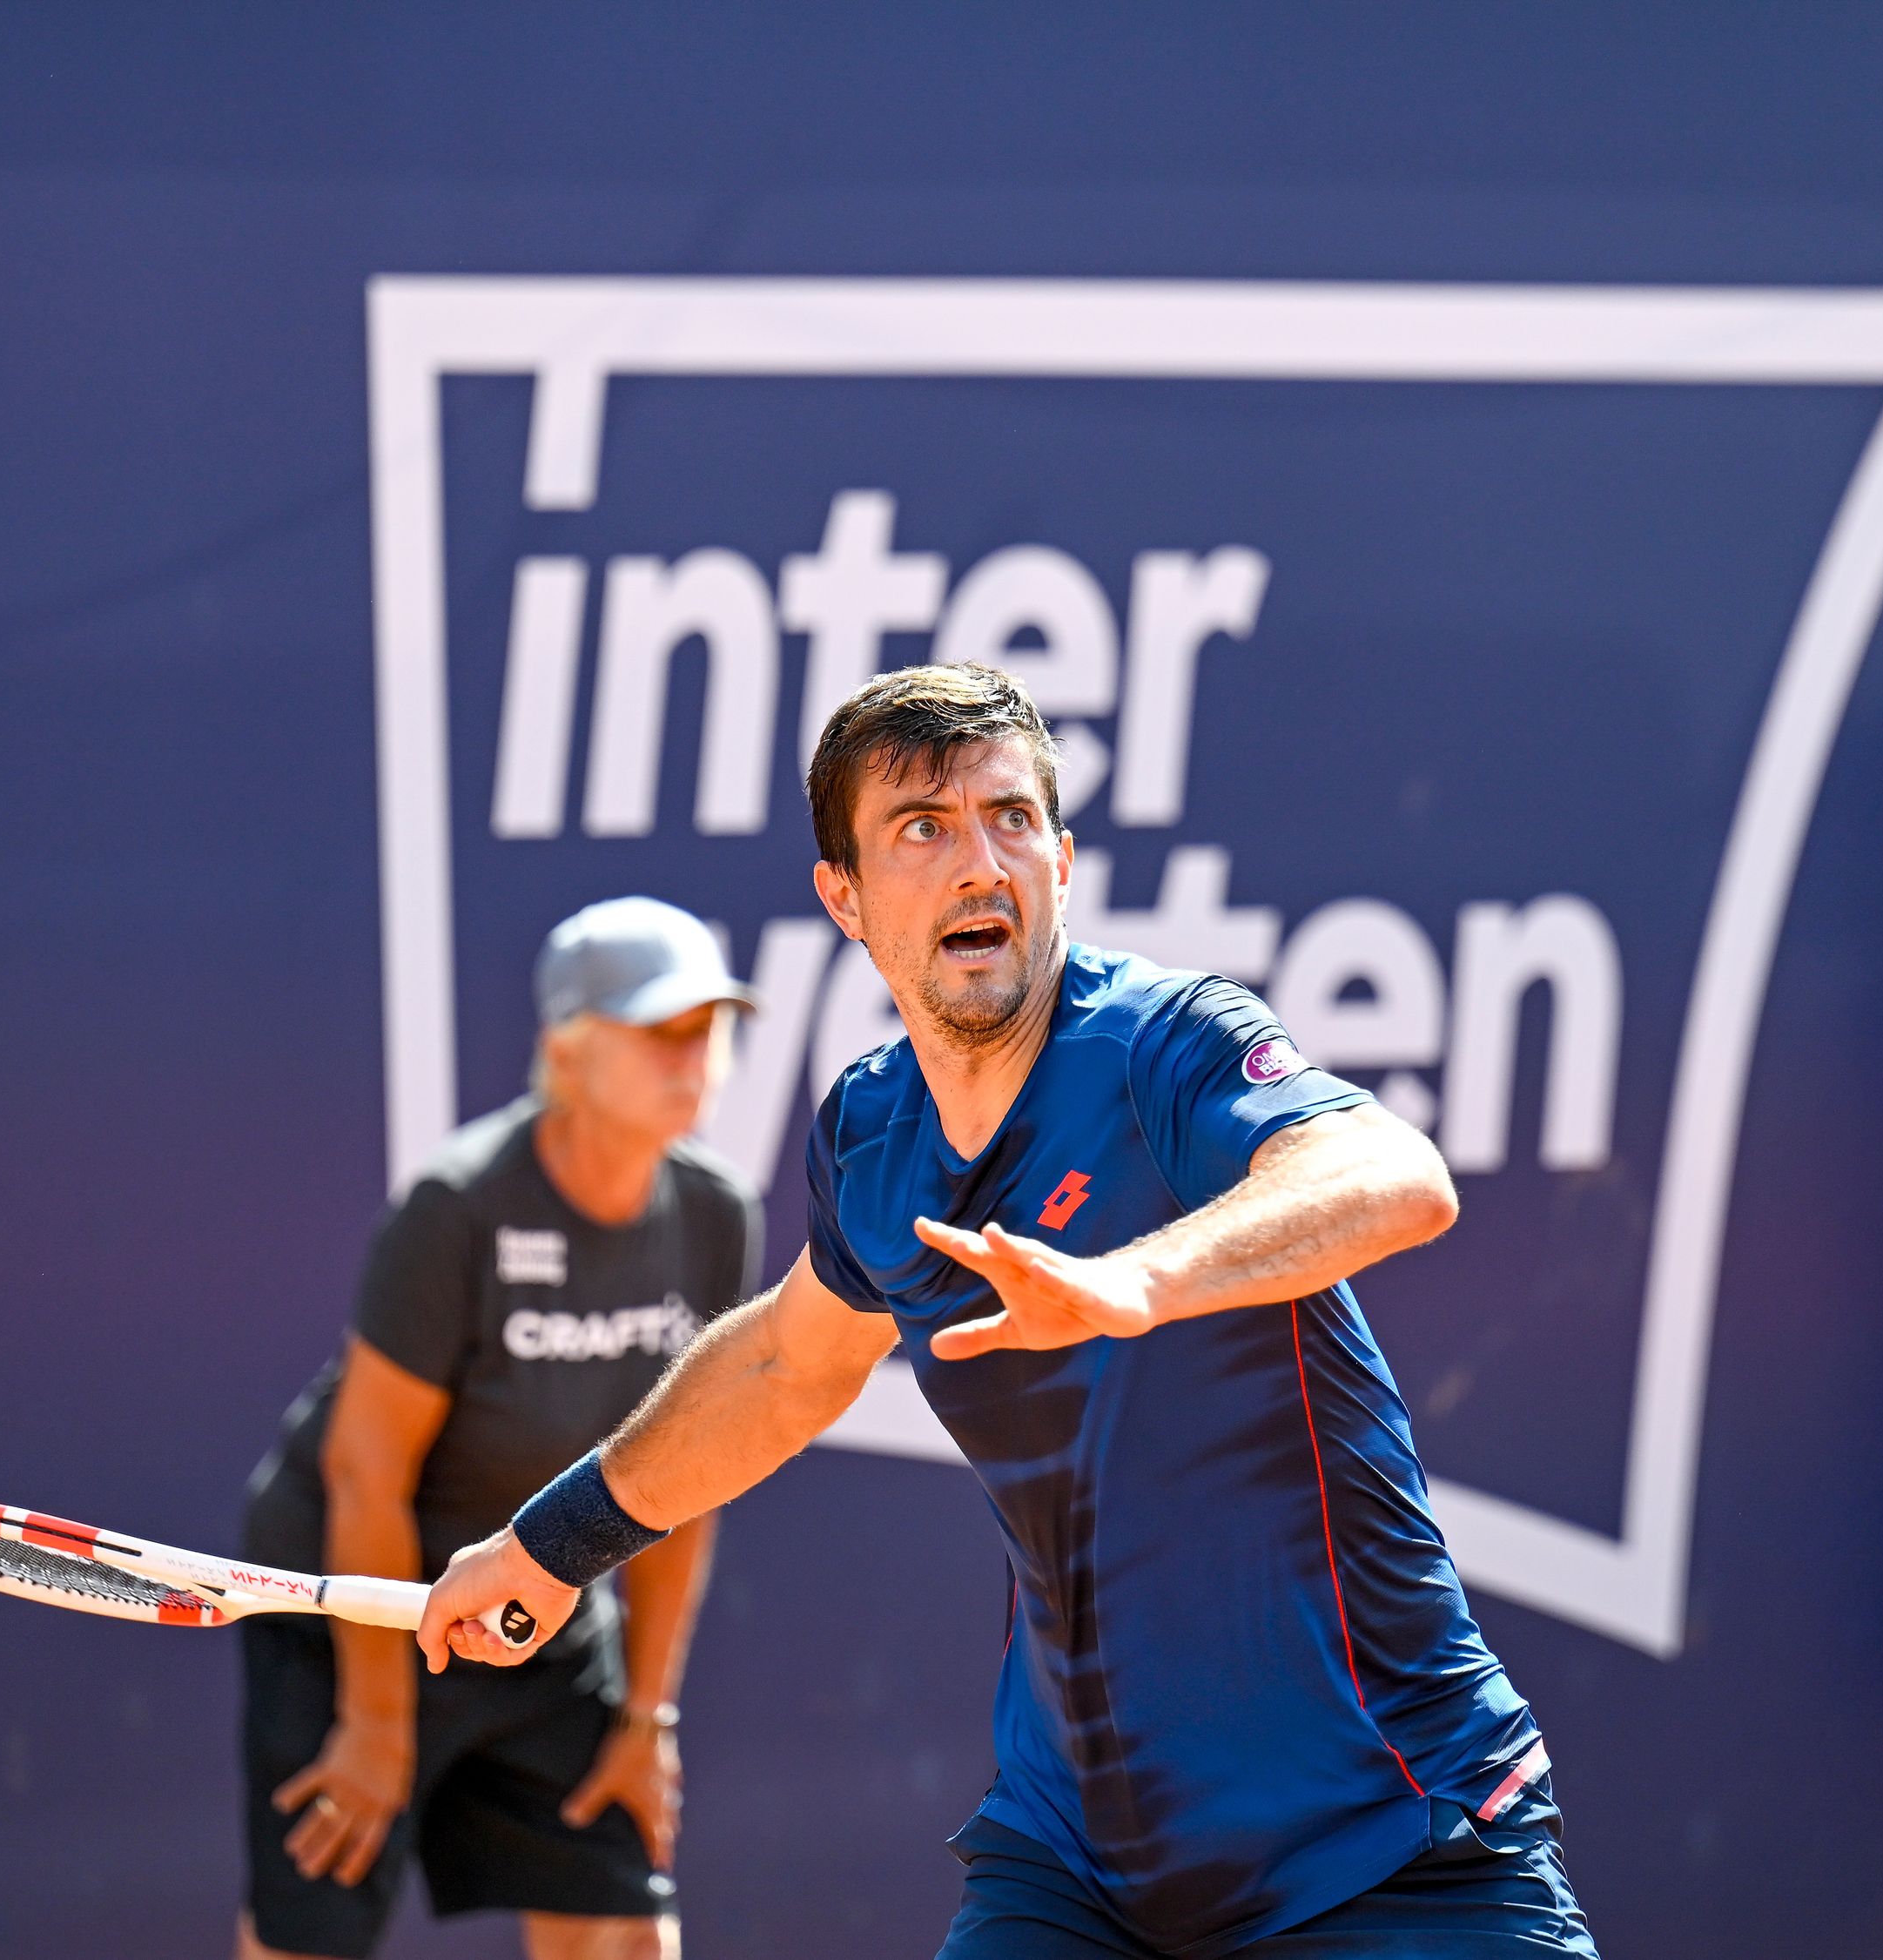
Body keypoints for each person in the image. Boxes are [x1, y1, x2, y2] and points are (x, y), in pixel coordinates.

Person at [416, 663, 1602, 1960]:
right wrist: (550, 1542)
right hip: (1080, 1869)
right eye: (923, 826)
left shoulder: (1166, 1043)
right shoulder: (872, 1130)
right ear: (846, 899)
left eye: (1011, 817)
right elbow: (782, 1364)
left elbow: (1391, 1174)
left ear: (1063, 859)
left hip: (1388, 1838)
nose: (980, 861)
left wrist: (1137, 1278)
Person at [237, 898, 763, 1960]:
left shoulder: (714, 1214)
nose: (692, 1057)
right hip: (355, 1613)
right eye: (659, 1029)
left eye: (708, 1029)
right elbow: (364, 1468)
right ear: (566, 1051)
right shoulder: (457, 1208)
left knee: (624, 1933)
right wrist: (378, 1720)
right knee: (311, 1935)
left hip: (536, 1612)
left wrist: (645, 1719)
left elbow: (686, 1481)